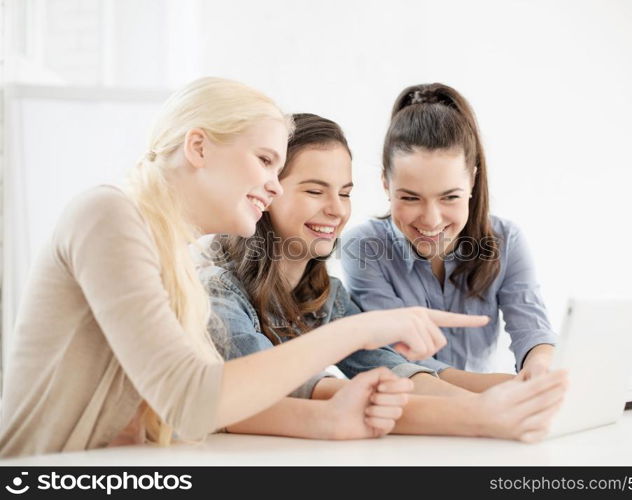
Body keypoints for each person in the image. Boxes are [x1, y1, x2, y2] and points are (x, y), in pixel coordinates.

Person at [0, 78, 480, 458]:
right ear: (199, 148)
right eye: (266, 161)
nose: (273, 187)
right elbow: (192, 399)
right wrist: (362, 329)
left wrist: (332, 422)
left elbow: (207, 413)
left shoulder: (174, 260)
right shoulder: (109, 214)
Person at [203, 113, 567, 442]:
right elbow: (284, 388)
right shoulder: (217, 289)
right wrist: (478, 413)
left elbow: (395, 368)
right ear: (267, 191)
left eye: (345, 193)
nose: (336, 209)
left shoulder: (326, 295)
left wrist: (514, 392)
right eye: (315, 191)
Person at [341, 83, 558, 388]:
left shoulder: (506, 239)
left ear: (472, 180)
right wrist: (503, 386)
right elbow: (397, 359)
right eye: (410, 198)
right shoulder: (363, 247)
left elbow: (533, 329)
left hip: (493, 414)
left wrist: (540, 367)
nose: (431, 220)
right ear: (385, 184)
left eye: (449, 197)